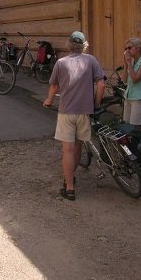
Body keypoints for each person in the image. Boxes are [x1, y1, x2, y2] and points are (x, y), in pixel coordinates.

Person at [43, 31, 105, 201]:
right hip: (85, 111)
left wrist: (48, 101)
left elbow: (54, 86)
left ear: (69, 44)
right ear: (84, 45)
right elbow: (101, 83)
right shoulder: (91, 60)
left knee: (67, 149)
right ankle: (71, 177)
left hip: (66, 111)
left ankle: (69, 187)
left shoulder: (61, 63)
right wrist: (96, 103)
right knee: (77, 147)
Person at [120, 37, 141, 128]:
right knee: (127, 126)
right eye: (125, 49)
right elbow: (124, 80)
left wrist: (129, 64)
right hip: (129, 97)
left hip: (139, 99)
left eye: (130, 48)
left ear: (138, 48)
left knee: (135, 128)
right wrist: (126, 65)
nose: (127, 51)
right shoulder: (132, 62)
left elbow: (135, 79)